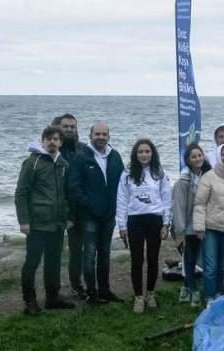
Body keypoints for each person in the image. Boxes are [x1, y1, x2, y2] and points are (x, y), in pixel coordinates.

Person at [15, 126, 76, 315]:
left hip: (57, 224)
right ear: (42, 141)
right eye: (49, 139)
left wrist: (69, 217)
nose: (52, 142)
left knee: (54, 262)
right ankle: (30, 300)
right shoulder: (32, 162)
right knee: (32, 262)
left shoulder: (63, 164)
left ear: (60, 142)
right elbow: (21, 193)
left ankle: (52, 297)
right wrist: (24, 221)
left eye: (56, 139)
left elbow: (67, 195)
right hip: (37, 224)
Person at [67, 122, 125, 305]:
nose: (100, 137)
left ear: (109, 136)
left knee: (105, 254)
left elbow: (123, 184)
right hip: (89, 216)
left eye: (104, 134)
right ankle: (92, 293)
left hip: (109, 216)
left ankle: (105, 290)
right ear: (90, 136)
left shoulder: (115, 156)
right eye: (97, 134)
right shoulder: (81, 157)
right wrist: (88, 204)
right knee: (89, 255)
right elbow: (73, 187)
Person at [116, 139, 172, 313]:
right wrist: (122, 225)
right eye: (140, 152)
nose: (144, 154)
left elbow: (166, 198)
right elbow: (122, 200)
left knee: (153, 259)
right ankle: (138, 297)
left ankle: (150, 293)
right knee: (137, 260)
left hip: (155, 220)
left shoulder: (159, 172)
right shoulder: (127, 173)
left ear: (152, 153)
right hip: (135, 221)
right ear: (135, 154)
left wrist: (166, 222)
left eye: (147, 151)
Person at [193, 143, 224, 305]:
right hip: (211, 228)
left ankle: (219, 293)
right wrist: (199, 226)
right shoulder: (209, 177)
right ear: (219, 157)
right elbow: (200, 203)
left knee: (222, 266)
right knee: (211, 266)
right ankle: (209, 297)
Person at [51, 113, 87, 300]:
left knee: (77, 250)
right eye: (66, 126)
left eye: (72, 126)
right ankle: (53, 290)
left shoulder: (81, 149)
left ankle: (76, 285)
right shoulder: (51, 151)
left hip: (78, 210)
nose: (69, 130)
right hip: (56, 209)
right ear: (58, 127)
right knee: (54, 251)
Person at [173, 143, 211, 306]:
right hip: (188, 226)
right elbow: (179, 206)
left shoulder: (209, 176)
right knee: (189, 258)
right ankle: (194, 292)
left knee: (199, 258)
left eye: (199, 155)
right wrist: (180, 231)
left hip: (205, 224)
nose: (197, 158)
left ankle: (186, 287)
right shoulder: (183, 181)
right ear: (188, 160)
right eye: (193, 156)